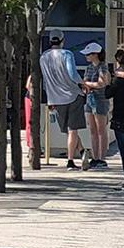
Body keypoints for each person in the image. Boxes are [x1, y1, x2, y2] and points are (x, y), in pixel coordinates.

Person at [39, 32, 87, 170]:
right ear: (62, 40)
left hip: (55, 97)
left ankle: (83, 151)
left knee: (66, 129)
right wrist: (83, 83)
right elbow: (73, 74)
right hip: (72, 95)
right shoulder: (67, 54)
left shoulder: (43, 57)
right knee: (73, 130)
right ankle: (70, 160)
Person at [97, 50, 124, 192]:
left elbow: (107, 94)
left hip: (121, 119)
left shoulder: (118, 82)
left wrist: (109, 82)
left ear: (123, 66)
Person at [79, 42, 110, 170]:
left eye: (88, 54)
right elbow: (85, 83)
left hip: (100, 100)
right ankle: (95, 156)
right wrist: (87, 86)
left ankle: (102, 158)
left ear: (95, 54)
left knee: (101, 130)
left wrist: (88, 84)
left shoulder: (103, 67)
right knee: (92, 130)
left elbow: (103, 83)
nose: (86, 56)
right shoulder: (88, 68)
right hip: (89, 100)